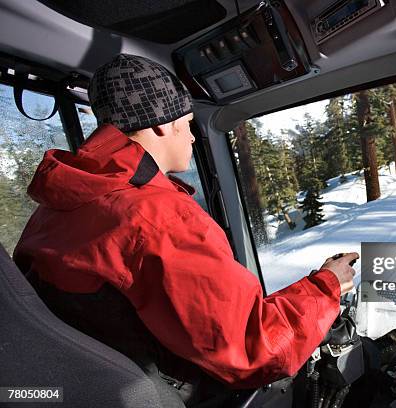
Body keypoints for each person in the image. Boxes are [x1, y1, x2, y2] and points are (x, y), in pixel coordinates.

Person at [13, 54, 357, 405]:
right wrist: (327, 284)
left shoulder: (56, 206)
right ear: (161, 124)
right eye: (188, 123)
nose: (193, 138)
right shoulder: (157, 218)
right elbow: (254, 351)